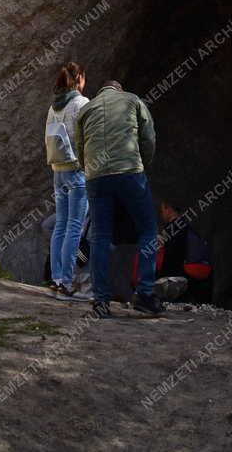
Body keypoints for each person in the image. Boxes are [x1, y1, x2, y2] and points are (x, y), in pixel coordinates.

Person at [74, 79, 164, 319]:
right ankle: (145, 294)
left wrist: (89, 171)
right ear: (119, 89)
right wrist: (143, 164)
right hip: (129, 173)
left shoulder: (86, 109)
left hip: (96, 177)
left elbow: (79, 145)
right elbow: (148, 137)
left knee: (99, 236)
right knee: (148, 230)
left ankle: (101, 301)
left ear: (102, 90)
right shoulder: (132, 100)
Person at [44, 62, 89, 297]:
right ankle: (68, 282)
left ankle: (56, 277)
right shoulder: (81, 103)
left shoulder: (54, 106)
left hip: (57, 170)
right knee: (75, 226)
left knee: (60, 224)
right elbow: (87, 138)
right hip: (76, 171)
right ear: (79, 78)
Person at [156, 198, 213, 304]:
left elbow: (170, 259)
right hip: (195, 280)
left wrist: (159, 281)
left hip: (179, 282)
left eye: (162, 210)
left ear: (169, 209)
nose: (161, 214)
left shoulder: (171, 229)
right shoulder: (187, 227)